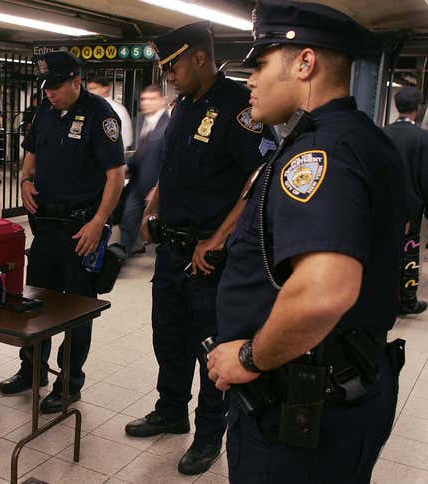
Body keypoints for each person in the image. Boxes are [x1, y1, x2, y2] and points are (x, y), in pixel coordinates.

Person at [207, 1, 405, 483]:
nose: (250, 80)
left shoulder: (322, 153)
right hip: (332, 396)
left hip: (302, 411)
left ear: (304, 62)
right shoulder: (360, 139)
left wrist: (249, 357)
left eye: (260, 64)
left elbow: (324, 292)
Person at [125, 22, 276, 475]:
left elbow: (257, 180)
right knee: (167, 337)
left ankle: (209, 435)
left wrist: (218, 238)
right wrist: (152, 209)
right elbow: (171, 170)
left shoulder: (239, 107)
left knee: (212, 351)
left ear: (197, 57)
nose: (168, 74)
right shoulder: (183, 107)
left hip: (210, 259)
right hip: (171, 251)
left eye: (172, 65)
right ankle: (170, 410)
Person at [0, 51, 125, 414]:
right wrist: (24, 179)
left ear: (75, 80)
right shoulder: (44, 111)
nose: (50, 93)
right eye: (46, 87)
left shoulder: (101, 116)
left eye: (56, 86)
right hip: (47, 229)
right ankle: (32, 369)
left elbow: (116, 175)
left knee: (76, 310)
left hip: (81, 229)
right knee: (34, 304)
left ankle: (69, 383)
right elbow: (31, 151)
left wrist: (99, 222)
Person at [383, 86, 428, 315]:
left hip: (384, 206)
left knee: (384, 251)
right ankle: (407, 300)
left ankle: (383, 297)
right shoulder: (422, 138)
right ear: (417, 109)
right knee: (409, 253)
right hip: (410, 207)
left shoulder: (383, 133)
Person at [119, 84, 169, 255]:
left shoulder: (168, 126)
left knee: (156, 225)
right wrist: (126, 166)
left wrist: (157, 187)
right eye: (143, 99)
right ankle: (123, 254)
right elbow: (142, 152)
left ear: (162, 101)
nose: (146, 102)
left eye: (151, 99)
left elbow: (167, 160)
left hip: (155, 186)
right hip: (138, 182)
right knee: (128, 218)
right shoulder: (143, 121)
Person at [87, 77, 134, 149]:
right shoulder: (88, 107)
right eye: (89, 89)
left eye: (93, 88)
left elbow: (126, 139)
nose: (90, 92)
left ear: (105, 89)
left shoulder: (118, 110)